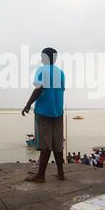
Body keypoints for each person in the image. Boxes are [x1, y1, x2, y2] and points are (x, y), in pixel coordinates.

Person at [22, 47, 65, 182]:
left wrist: (28, 104)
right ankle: (61, 173)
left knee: (45, 145)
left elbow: (39, 88)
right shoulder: (61, 73)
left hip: (43, 112)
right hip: (58, 112)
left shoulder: (41, 70)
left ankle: (40, 175)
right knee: (57, 144)